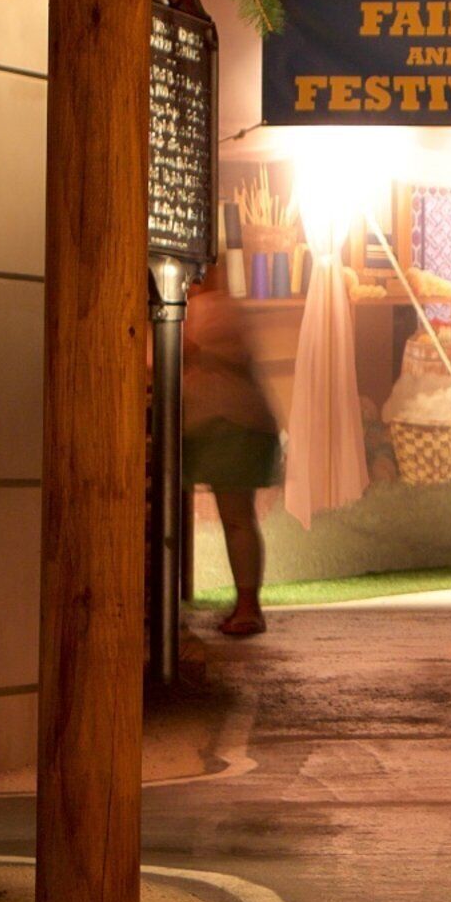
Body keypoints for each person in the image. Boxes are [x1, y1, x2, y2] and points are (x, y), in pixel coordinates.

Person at [181, 260, 282, 636]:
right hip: (232, 427)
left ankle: (248, 607)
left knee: (237, 517)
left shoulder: (212, 309)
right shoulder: (221, 308)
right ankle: (246, 605)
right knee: (237, 517)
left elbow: (179, 349)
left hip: (231, 428)